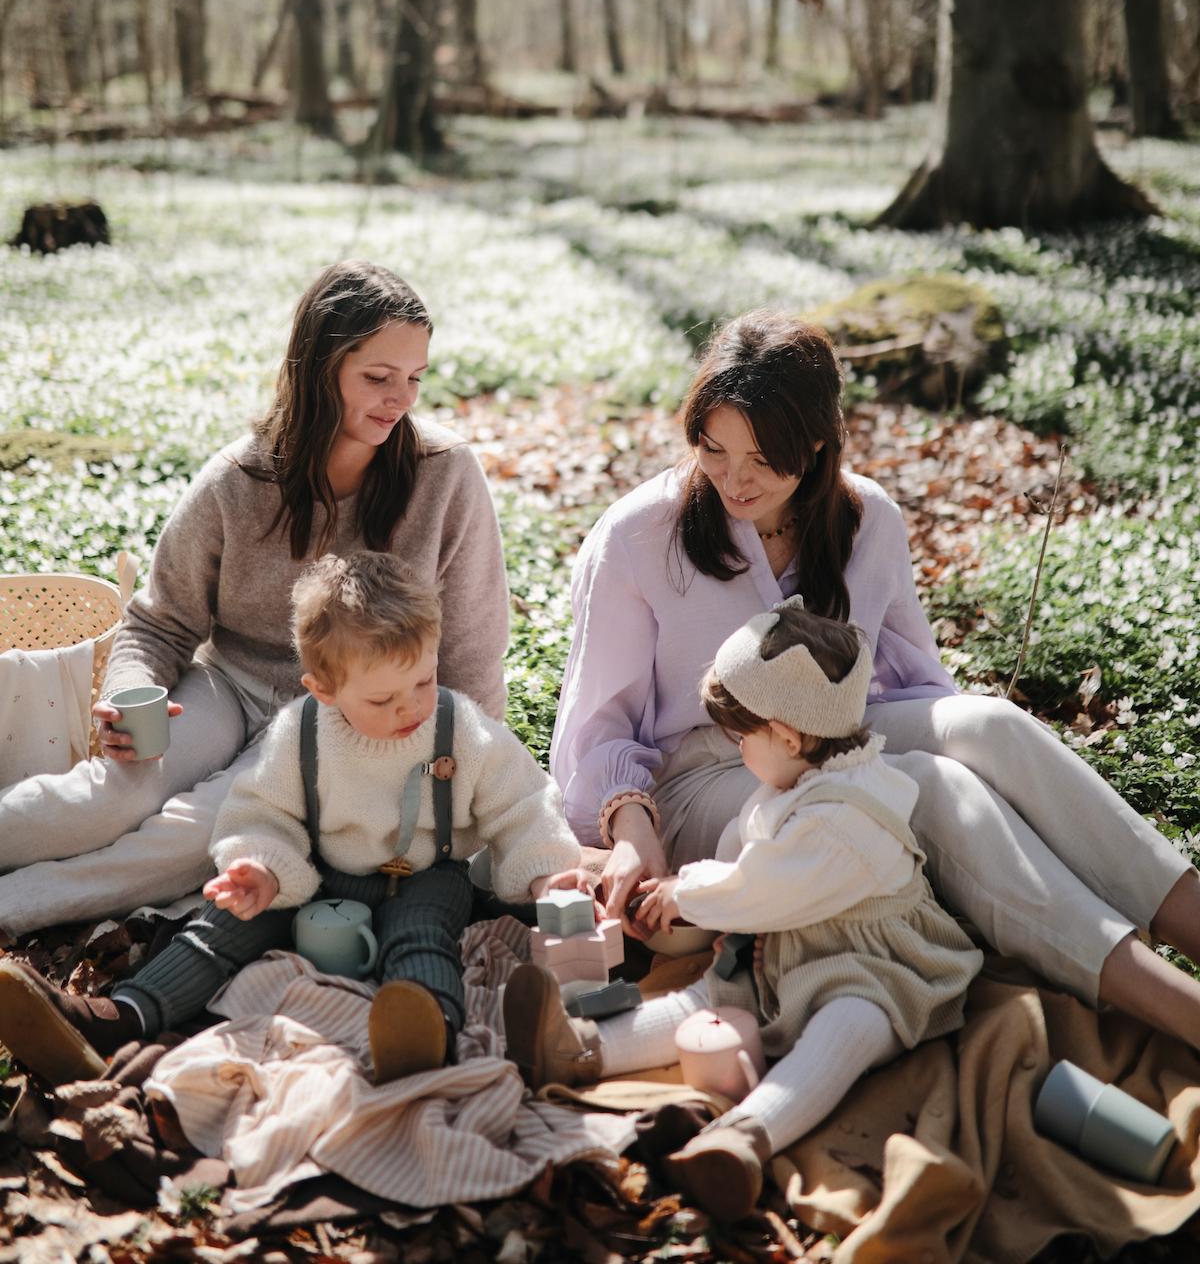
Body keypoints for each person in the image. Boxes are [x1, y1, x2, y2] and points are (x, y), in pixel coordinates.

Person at [550, 310, 1200, 1051]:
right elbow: (599, 723)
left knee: (989, 726)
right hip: (701, 780)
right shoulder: (639, 536)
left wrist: (950, 760)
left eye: (764, 458)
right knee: (927, 792)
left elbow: (918, 687)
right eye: (712, 448)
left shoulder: (868, 522)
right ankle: (1175, 1005)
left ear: (819, 442)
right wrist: (633, 833)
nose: (734, 478)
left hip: (834, 742)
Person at [0, 261, 510, 938]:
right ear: (320, 368)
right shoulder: (237, 480)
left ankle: (19, 905)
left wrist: (462, 762)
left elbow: (474, 648)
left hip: (338, 717)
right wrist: (128, 692)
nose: (400, 400)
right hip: (227, 684)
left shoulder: (445, 476)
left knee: (206, 828)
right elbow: (158, 621)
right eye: (378, 378)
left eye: (414, 378)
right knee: (109, 798)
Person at [0, 551, 585, 1087]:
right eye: (381, 700)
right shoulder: (302, 732)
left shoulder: (460, 728)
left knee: (421, 936)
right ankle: (120, 1016)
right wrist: (261, 868)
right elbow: (260, 810)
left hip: (425, 875)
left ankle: (424, 1029)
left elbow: (523, 801)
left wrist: (546, 873)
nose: (409, 707)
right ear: (322, 690)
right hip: (320, 870)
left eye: (424, 682)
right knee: (221, 925)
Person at [507, 599, 982, 1221]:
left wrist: (689, 892)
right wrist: (684, 890)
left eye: (740, 738)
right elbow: (744, 845)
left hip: (870, 962)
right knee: (706, 999)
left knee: (848, 1028)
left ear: (786, 735)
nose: (736, 751)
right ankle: (575, 1047)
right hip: (781, 950)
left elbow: (762, 886)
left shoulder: (850, 816)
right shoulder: (795, 778)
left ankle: (747, 1137)